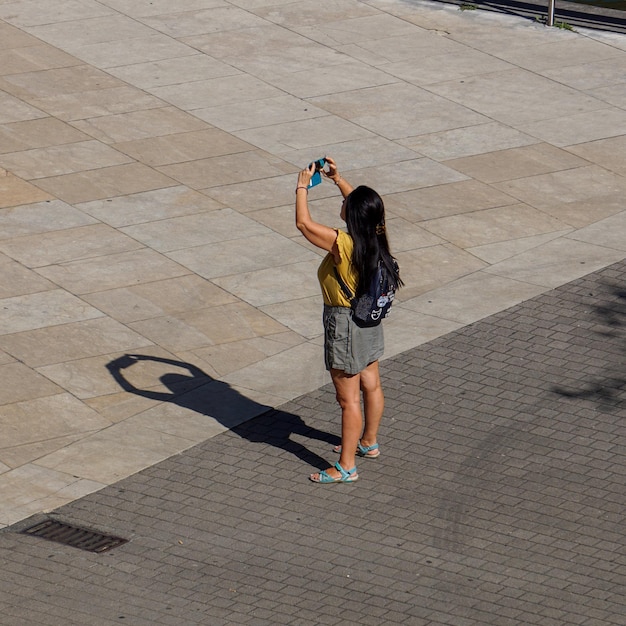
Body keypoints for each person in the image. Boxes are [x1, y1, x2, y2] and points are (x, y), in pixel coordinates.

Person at [295, 156, 403, 483]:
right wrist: (338, 179)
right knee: (372, 384)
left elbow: (303, 224)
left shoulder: (343, 244)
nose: (343, 203)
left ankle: (346, 467)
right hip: (368, 319)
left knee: (347, 399)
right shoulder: (377, 236)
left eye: (346, 203)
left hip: (344, 324)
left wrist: (302, 186)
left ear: (352, 215)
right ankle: (368, 442)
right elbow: (365, 207)